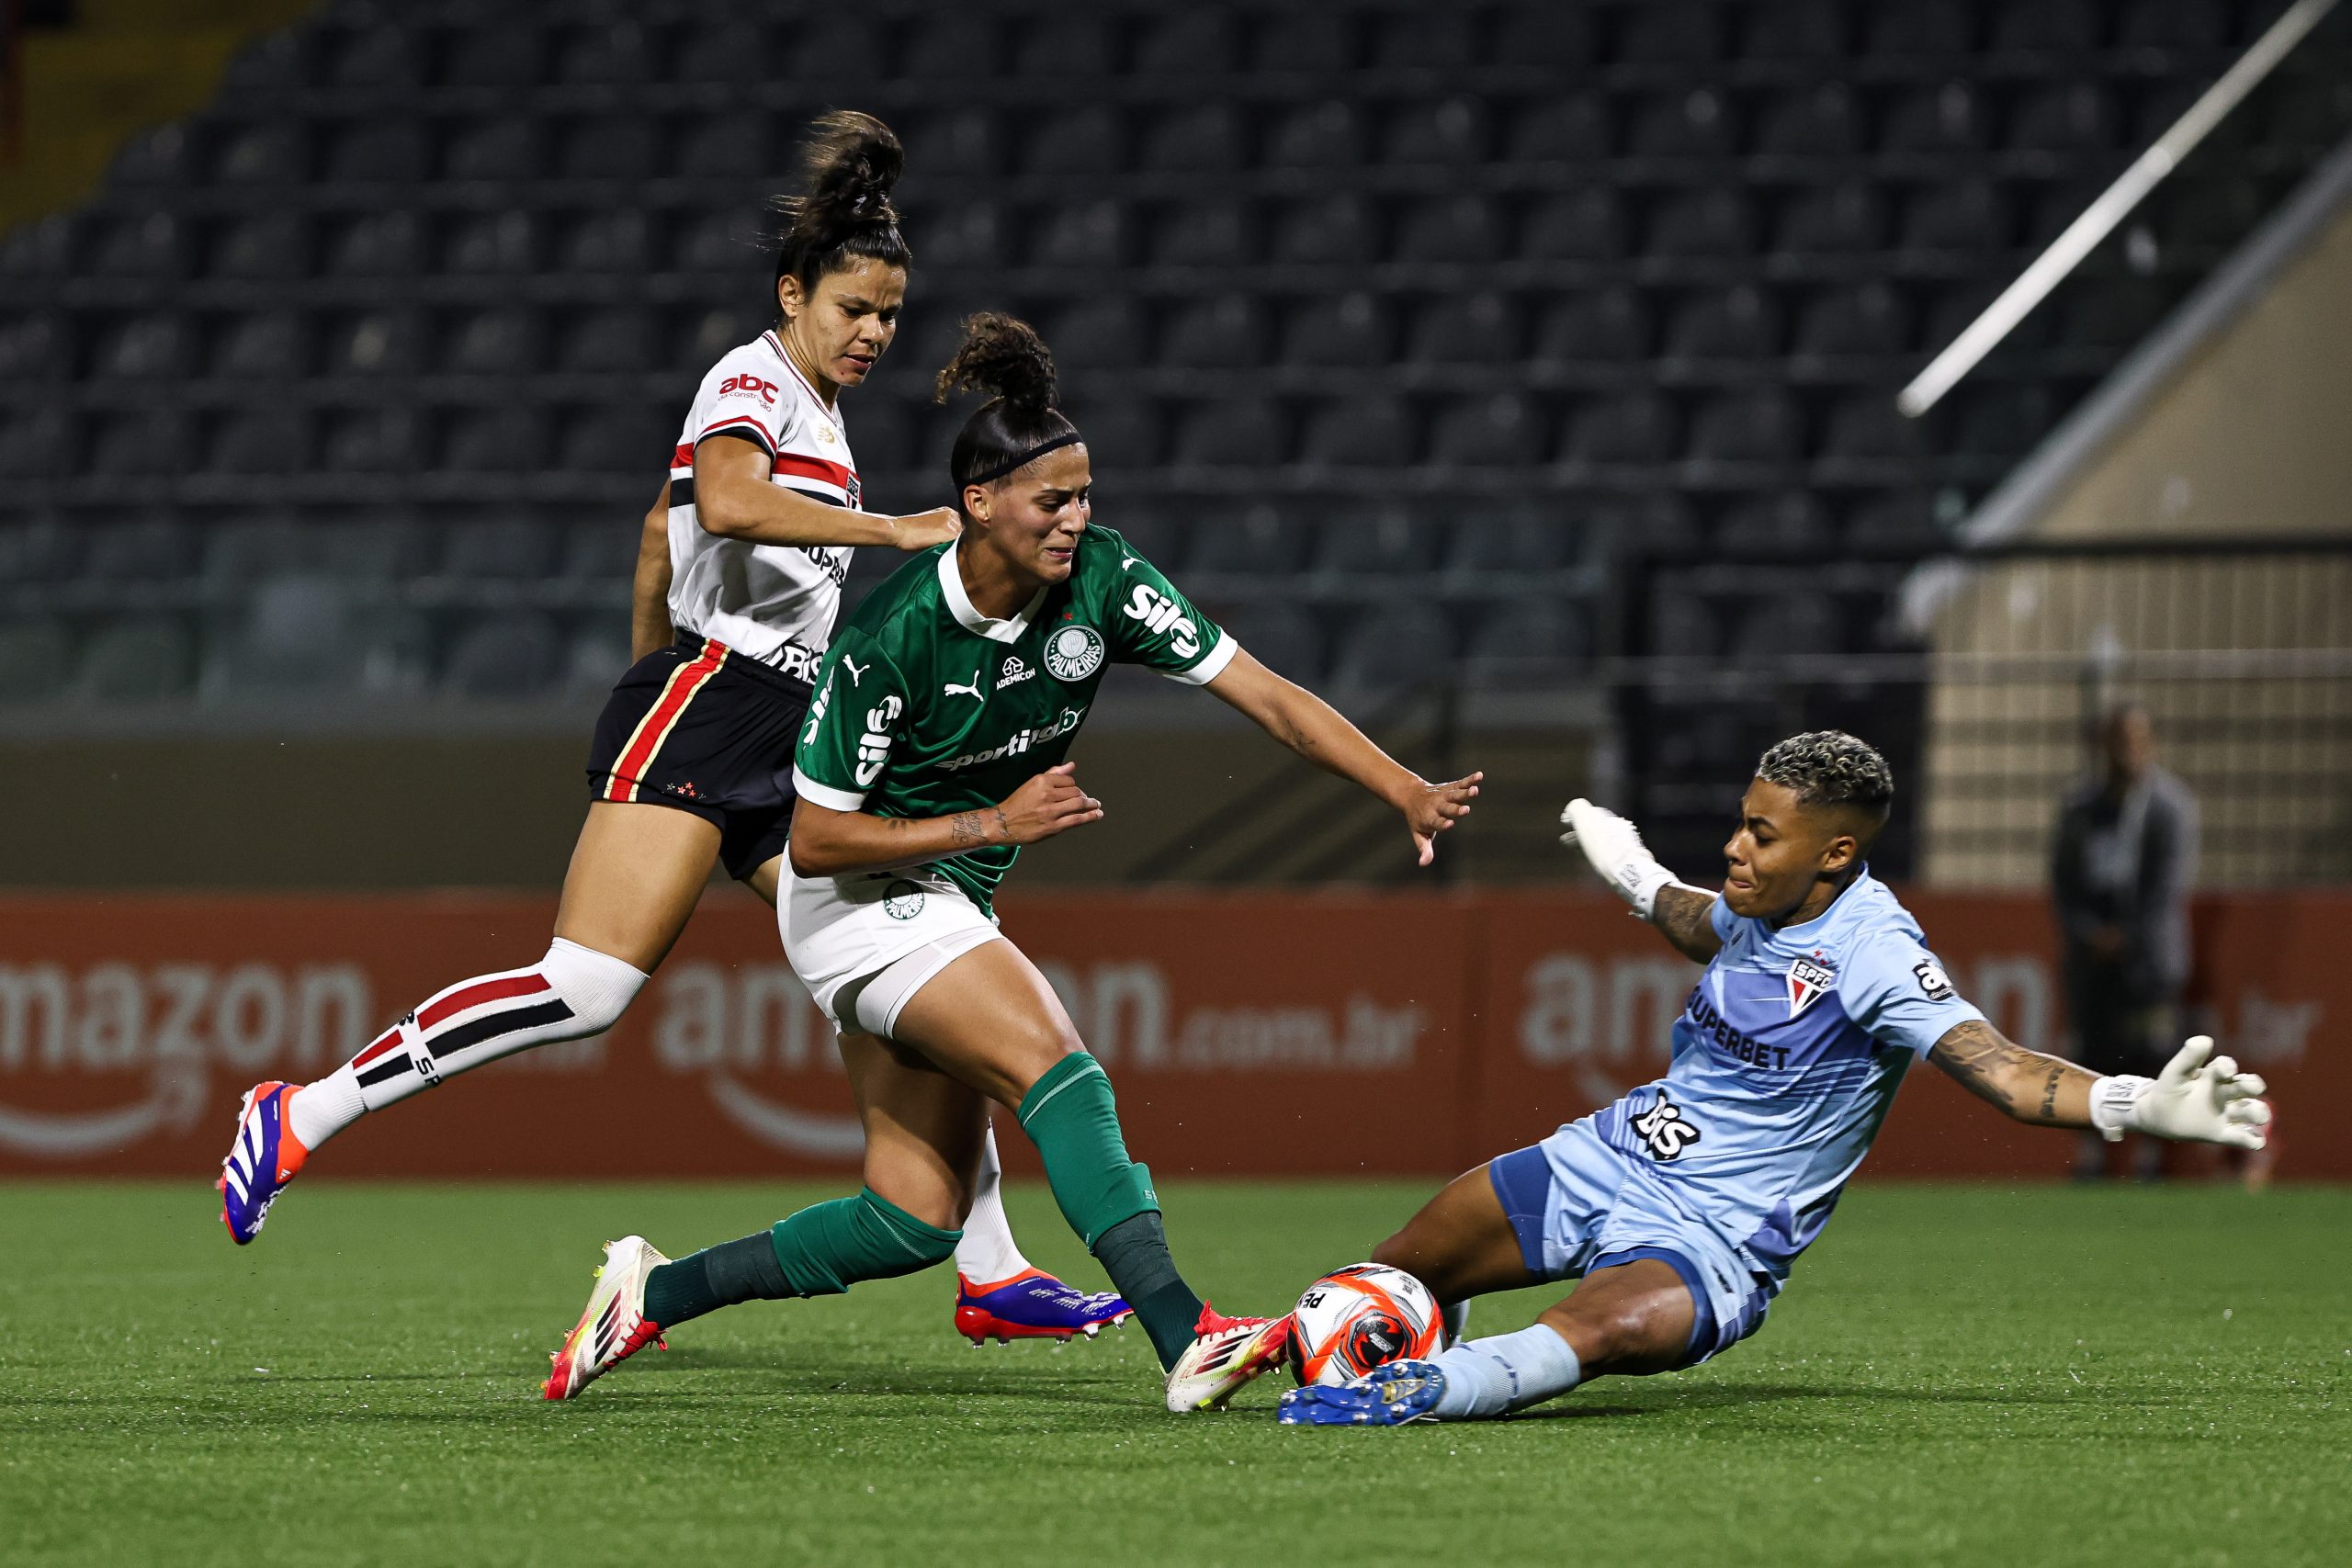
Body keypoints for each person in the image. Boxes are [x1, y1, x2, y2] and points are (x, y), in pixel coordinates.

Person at [213, 112, 1124, 1347]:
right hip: (717, 701)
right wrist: (886, 542)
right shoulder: (750, 380)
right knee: (586, 986)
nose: (873, 333)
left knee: (911, 948)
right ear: (792, 292)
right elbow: (730, 503)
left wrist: (647, 650)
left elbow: (662, 527)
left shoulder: (815, 407)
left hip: (767, 713)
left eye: (891, 316)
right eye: (852, 307)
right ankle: (302, 1109)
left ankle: (993, 1260)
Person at [542, 313, 1484, 1410]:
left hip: (943, 891)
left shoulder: (1106, 582)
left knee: (908, 1219)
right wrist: (992, 825)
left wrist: (1399, 788)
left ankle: (651, 1295)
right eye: (1054, 501)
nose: (1076, 521)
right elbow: (815, 841)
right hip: (857, 895)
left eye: (1085, 497)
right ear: (979, 504)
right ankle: (1188, 1335)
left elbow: (1264, 692)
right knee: (1059, 1066)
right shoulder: (890, 639)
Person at [1273, 731, 2267, 1427]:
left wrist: (2139, 1102)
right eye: (1742, 822)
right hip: (1607, 1155)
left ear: (1836, 851)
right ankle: (1277, 1342)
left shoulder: (1875, 952)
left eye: (1762, 835)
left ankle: (1424, 1391)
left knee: (1601, 1329)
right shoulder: (1762, 906)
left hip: (1711, 1238)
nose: (1735, 848)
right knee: (1388, 1269)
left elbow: (2003, 1072)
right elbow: (1685, 913)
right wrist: (1623, 862)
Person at [2051, 700, 2200, 1181]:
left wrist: (2128, 937)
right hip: (2092, 961)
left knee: (2154, 1055)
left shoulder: (2170, 808)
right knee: (2093, 1055)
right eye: (2117, 742)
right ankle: (2093, 1158)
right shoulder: (2080, 810)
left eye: (2134, 741)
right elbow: (2063, 883)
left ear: (2149, 744)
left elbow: (2165, 889)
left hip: (2148, 960)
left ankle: (2152, 1159)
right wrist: (2089, 933)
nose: (2125, 752)